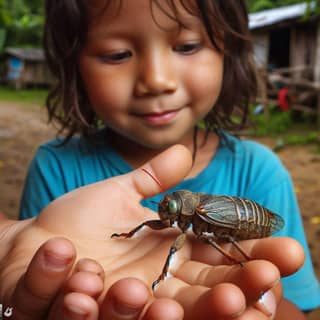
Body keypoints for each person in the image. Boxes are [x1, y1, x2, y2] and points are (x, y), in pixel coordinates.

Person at [18, 0, 319, 317]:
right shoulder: (54, 167)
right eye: (117, 54)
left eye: (187, 46)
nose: (157, 80)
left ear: (228, 51)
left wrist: (248, 283)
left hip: (241, 222)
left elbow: (294, 305)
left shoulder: (260, 172)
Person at [0, 145, 306, 319]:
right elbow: (153, 224)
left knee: (222, 239)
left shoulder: (251, 175)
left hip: (244, 219)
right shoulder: (53, 163)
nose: (165, 213)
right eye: (166, 208)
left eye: (170, 209)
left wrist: (239, 263)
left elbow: (220, 237)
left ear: (183, 211)